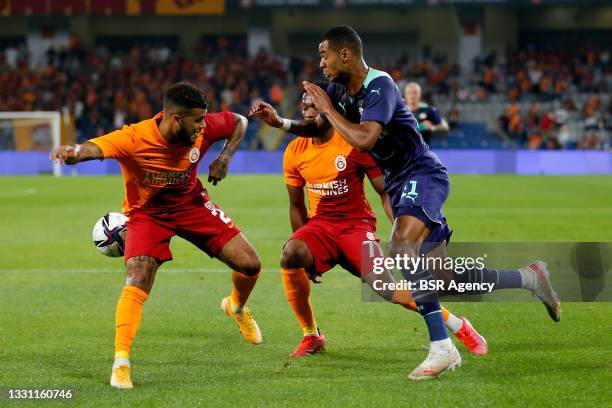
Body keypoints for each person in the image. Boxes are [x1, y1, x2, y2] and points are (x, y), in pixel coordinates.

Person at [250, 25, 560, 380]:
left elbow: (364, 139)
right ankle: (530, 277)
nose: (320, 63)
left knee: (401, 246)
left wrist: (327, 108)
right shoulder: (338, 90)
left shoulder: (379, 85)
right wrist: (283, 122)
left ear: (345, 53)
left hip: (422, 172)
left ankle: (441, 348)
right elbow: (320, 127)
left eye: (324, 54)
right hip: (400, 183)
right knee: (445, 280)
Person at [50, 82, 263, 389]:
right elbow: (96, 147)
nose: (203, 126)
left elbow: (239, 122)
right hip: (148, 215)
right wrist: (74, 153)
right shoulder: (134, 138)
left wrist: (225, 157)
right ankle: (121, 362)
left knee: (251, 265)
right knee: (137, 276)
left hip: (191, 205)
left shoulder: (202, 128)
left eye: (204, 119)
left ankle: (236, 307)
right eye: (197, 120)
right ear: (175, 118)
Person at [281, 83, 487, 357]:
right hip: (320, 228)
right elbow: (296, 205)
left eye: (314, 106)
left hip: (356, 228)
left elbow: (385, 191)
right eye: (305, 106)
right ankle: (311, 335)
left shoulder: (354, 143)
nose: (309, 111)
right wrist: (304, 245)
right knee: (291, 253)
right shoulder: (294, 151)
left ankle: (458, 324)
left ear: (328, 110)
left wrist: (401, 230)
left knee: (387, 289)